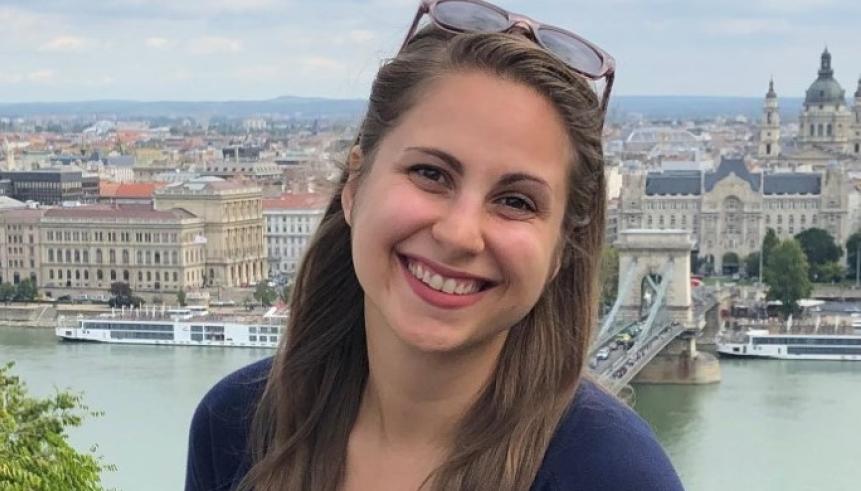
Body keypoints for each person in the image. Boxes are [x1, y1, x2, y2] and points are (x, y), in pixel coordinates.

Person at [186, 1, 684, 490]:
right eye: (430, 173)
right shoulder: (234, 424)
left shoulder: (614, 475)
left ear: (560, 251)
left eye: (515, 201)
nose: (459, 233)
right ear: (355, 185)